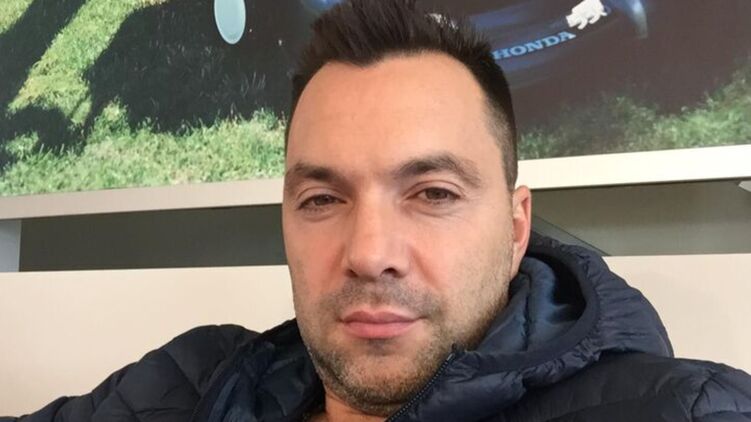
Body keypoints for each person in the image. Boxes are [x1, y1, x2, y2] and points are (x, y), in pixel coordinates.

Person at [3, 0, 751, 421]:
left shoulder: (680, 408)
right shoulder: (193, 380)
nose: (368, 252)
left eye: (433, 194)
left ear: (516, 226)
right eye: (323, 198)